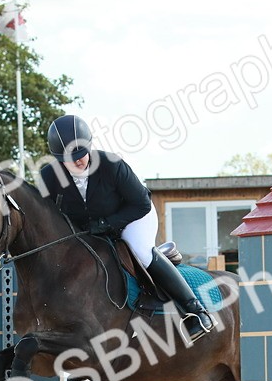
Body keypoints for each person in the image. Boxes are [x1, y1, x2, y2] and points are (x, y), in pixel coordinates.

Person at [38, 114, 214, 342]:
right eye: (70, 158)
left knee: (139, 249)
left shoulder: (111, 165)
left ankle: (196, 312)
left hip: (134, 217)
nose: (78, 161)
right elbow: (48, 217)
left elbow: (140, 204)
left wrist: (108, 224)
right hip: (91, 229)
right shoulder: (49, 177)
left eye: (81, 154)